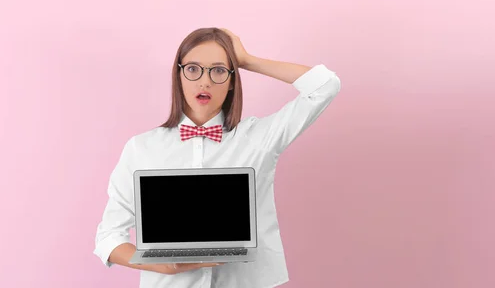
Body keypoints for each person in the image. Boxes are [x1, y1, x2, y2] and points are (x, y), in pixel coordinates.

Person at [93, 27, 342, 288]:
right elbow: (108, 237)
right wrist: (161, 265)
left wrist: (247, 61)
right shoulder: (142, 148)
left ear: (233, 80)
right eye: (193, 69)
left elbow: (325, 85)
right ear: (178, 75)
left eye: (219, 70)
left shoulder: (259, 137)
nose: (205, 81)